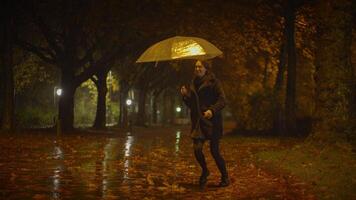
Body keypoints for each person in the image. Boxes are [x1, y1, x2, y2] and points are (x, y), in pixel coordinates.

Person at [180, 59, 230, 188]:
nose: (197, 69)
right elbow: (192, 105)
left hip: (213, 122)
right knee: (197, 149)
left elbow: (223, 100)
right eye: (195, 67)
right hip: (199, 122)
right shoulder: (193, 83)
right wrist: (185, 96)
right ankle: (205, 171)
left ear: (206, 68)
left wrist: (212, 111)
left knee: (215, 152)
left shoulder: (214, 82)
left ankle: (225, 176)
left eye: (200, 66)